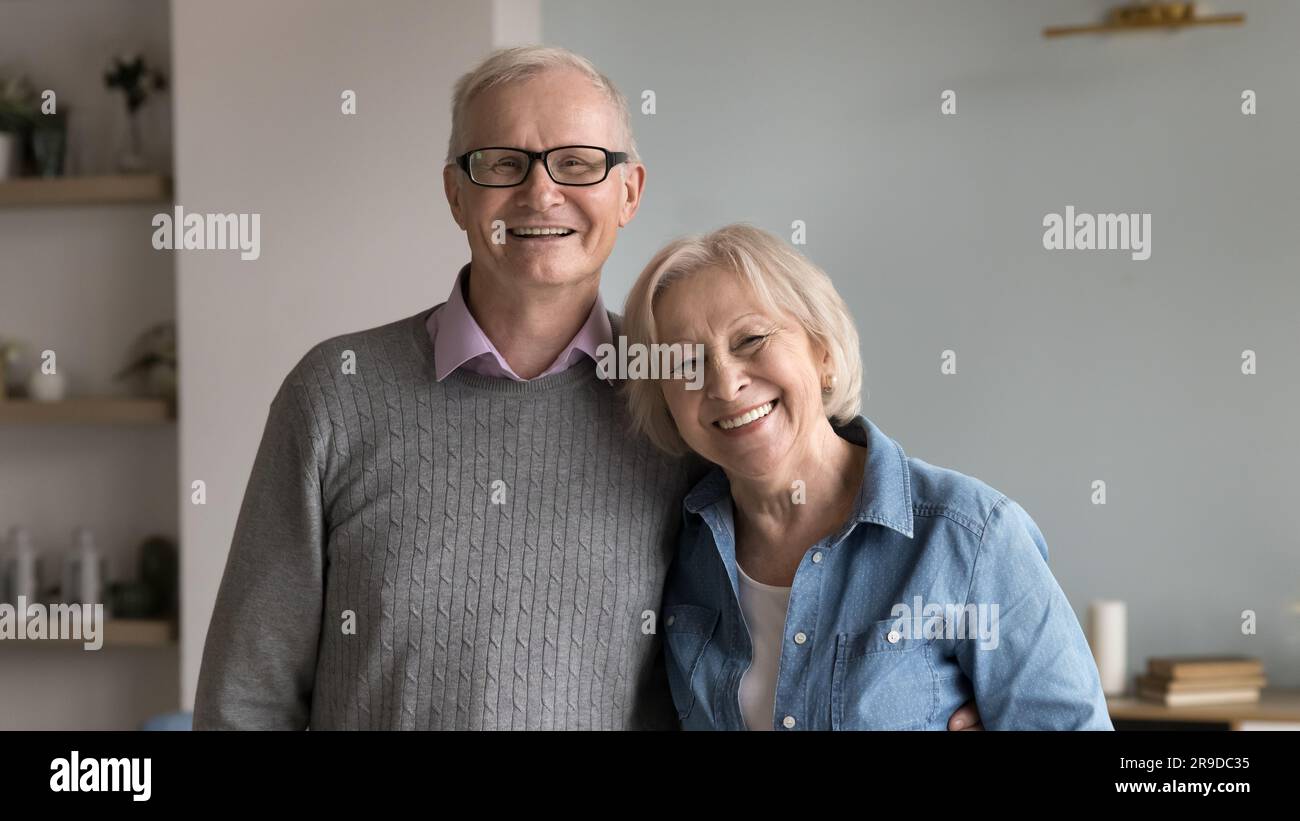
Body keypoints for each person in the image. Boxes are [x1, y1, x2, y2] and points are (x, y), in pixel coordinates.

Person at [193, 45, 985, 731]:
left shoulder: (687, 398)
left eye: (578, 163)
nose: (542, 194)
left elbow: (817, 582)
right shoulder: (335, 395)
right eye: (503, 162)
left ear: (628, 193)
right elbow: (246, 699)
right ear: (456, 193)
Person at [622, 223, 1113, 730]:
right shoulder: (676, 549)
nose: (725, 382)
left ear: (824, 355)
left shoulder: (971, 536)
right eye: (687, 363)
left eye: (750, 339)